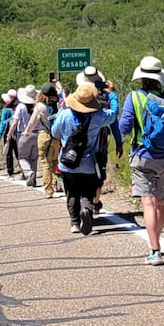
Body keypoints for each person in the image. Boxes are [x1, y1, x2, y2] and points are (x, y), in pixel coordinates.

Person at [119, 56, 164, 266]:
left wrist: (118, 141)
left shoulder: (134, 98)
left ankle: (154, 249)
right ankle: (156, 244)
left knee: (147, 203)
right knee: (160, 203)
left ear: (141, 77)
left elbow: (124, 128)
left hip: (143, 156)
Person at [51, 82, 117, 235]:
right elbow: (113, 115)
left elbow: (54, 133)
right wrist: (112, 95)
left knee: (71, 192)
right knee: (88, 191)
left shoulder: (65, 114)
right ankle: (86, 209)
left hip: (68, 162)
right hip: (89, 163)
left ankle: (74, 222)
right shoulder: (98, 116)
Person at [76, 66, 122, 213]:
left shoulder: (78, 99)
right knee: (99, 169)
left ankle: (82, 201)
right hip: (100, 141)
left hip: (79, 141)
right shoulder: (106, 100)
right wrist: (119, 142)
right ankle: (94, 201)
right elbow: (114, 121)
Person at [26, 82, 60, 197]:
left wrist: (27, 132)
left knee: (46, 163)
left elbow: (33, 121)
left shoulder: (40, 106)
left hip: (44, 135)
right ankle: (57, 183)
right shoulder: (57, 104)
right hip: (56, 136)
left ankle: (48, 189)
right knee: (55, 161)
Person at [13, 85, 39, 185]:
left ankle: (28, 173)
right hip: (36, 134)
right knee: (34, 158)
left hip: (24, 134)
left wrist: (10, 133)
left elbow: (15, 121)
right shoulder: (37, 106)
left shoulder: (20, 106)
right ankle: (34, 179)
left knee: (22, 157)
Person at [0, 89, 19, 176]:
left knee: (8, 153)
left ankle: (10, 171)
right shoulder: (19, 107)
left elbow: (2, 124)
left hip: (8, 133)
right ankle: (24, 169)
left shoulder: (6, 110)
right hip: (18, 132)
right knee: (18, 152)